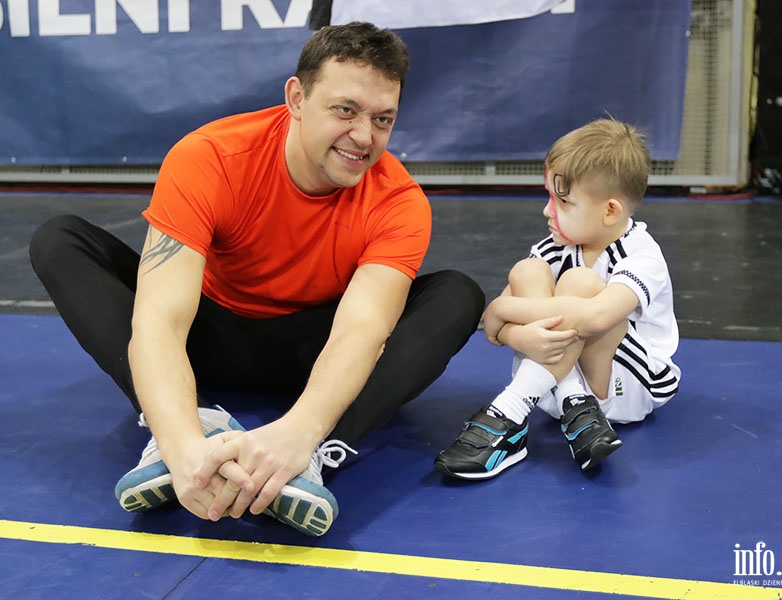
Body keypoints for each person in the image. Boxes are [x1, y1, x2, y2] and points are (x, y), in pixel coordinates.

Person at [29, 22, 485, 536]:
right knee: (60, 239)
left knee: (457, 294)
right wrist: (182, 447)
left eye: (383, 119)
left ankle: (304, 457)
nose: (364, 136)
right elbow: (161, 318)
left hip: (315, 353)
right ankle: (184, 423)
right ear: (296, 97)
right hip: (211, 336)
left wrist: (300, 430)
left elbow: (361, 331)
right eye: (345, 110)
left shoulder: (399, 203)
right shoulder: (211, 157)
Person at [435, 119, 680, 480]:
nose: (548, 211)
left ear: (610, 211)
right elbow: (496, 326)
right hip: (564, 393)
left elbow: (595, 318)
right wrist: (521, 335)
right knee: (526, 272)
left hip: (627, 389)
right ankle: (571, 402)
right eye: (549, 198)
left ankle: (510, 410)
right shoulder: (556, 246)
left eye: (563, 201)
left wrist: (503, 311)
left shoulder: (642, 256)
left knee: (580, 284)